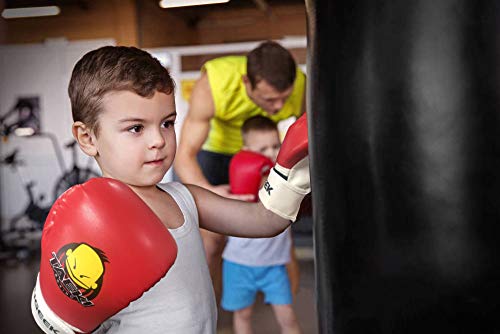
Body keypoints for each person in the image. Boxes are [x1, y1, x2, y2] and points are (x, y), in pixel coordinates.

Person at [30, 46, 310, 334]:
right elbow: (67, 322)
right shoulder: (86, 225)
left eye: (167, 123)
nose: (158, 140)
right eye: (136, 128)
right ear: (88, 138)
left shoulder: (186, 198)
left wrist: (292, 170)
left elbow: (266, 219)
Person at [174, 40, 306, 299]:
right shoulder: (215, 84)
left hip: (263, 154)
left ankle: (282, 304)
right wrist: (211, 193)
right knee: (212, 241)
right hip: (216, 155)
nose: (278, 107)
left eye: (284, 98)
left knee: (279, 228)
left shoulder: (301, 85)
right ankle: (212, 304)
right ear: (247, 83)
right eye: (270, 99)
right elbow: (184, 155)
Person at [222, 115, 301, 334]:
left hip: (274, 265)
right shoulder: (239, 179)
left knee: (287, 317)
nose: (270, 153)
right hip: (239, 263)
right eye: (262, 149)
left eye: (275, 146)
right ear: (246, 150)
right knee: (243, 315)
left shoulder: (283, 177)